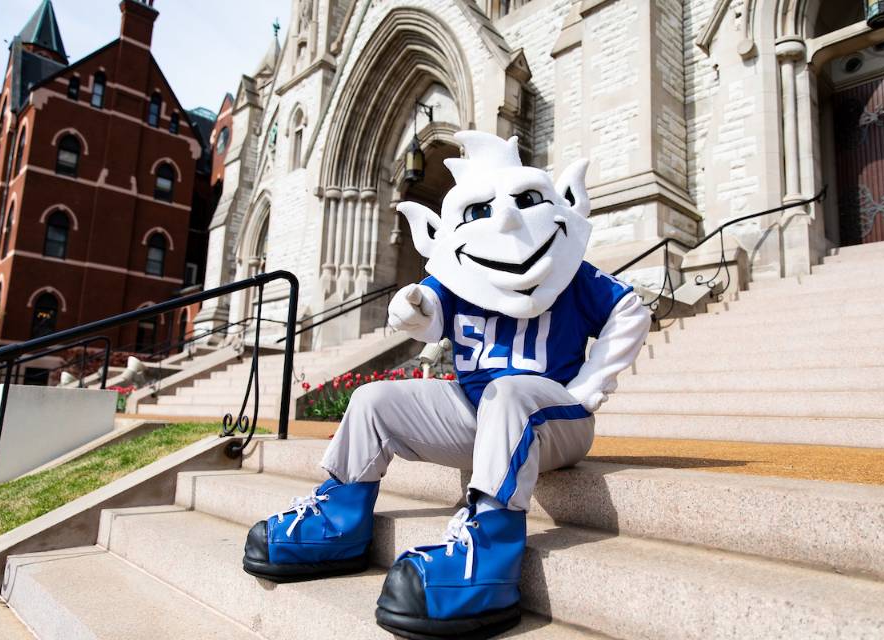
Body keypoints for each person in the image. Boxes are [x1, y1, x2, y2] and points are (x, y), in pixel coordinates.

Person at [242, 130, 651, 640]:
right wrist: (409, 309)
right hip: (476, 418)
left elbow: (629, 308)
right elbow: (427, 314)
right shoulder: (460, 270)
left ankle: (490, 560)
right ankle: (338, 523)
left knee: (511, 391)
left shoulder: (569, 270)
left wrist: (591, 383)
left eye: (523, 202)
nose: (504, 220)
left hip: (554, 422)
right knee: (375, 399)